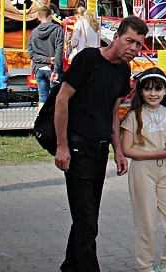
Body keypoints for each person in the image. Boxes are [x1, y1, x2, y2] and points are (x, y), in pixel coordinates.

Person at [55, 15, 149, 272]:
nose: (133, 48)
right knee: (87, 223)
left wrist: (118, 151)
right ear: (116, 37)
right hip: (76, 149)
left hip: (99, 151)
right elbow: (62, 100)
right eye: (129, 40)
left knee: (86, 217)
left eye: (139, 44)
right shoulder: (87, 59)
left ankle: (69, 267)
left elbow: (113, 112)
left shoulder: (123, 71)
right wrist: (62, 146)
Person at [122, 68, 166, 272]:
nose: (153, 94)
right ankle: (146, 267)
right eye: (148, 89)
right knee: (146, 224)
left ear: (165, 91)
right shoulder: (133, 116)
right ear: (140, 91)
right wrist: (156, 153)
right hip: (142, 172)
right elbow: (127, 149)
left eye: (158, 89)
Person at [28, 6, 63, 110]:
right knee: (56, 100)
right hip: (53, 70)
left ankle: (39, 123)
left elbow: (31, 54)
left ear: (39, 18)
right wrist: (55, 68)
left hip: (39, 69)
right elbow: (59, 51)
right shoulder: (57, 29)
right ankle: (54, 124)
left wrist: (45, 60)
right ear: (50, 16)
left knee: (42, 99)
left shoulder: (33, 33)